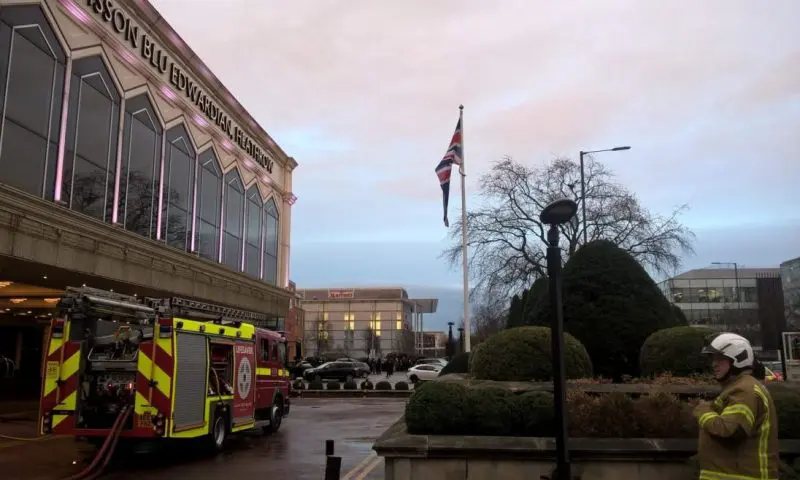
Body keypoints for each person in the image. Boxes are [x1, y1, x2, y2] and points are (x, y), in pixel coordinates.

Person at [692, 332, 779, 480]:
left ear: (738, 359)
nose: (714, 364)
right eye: (713, 359)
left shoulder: (745, 390)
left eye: (720, 359)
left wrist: (703, 410)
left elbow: (729, 431)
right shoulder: (738, 387)